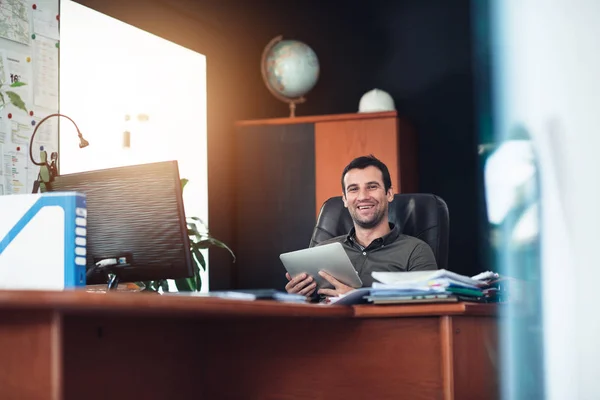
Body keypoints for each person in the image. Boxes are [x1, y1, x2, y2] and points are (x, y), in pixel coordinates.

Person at [285, 155, 438, 299]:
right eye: (353, 189)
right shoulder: (319, 252)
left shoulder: (416, 251)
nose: (363, 196)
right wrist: (296, 299)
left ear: (389, 193)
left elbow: (426, 311)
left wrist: (359, 298)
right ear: (345, 199)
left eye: (372, 186)